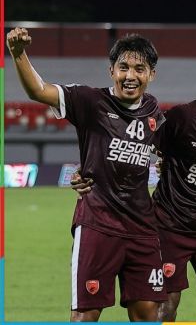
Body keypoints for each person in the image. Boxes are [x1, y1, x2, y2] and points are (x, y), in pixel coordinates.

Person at [71, 47, 196, 322]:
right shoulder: (183, 118)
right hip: (168, 225)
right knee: (165, 307)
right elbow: (136, 142)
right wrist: (89, 170)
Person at [6, 28, 167, 321]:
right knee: (85, 315)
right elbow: (39, 91)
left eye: (139, 69)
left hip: (143, 229)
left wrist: (165, 163)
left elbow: (164, 150)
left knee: (149, 314)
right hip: (98, 224)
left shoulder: (153, 110)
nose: (131, 75)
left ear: (151, 75)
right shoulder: (90, 101)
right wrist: (18, 54)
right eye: (124, 67)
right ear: (111, 71)